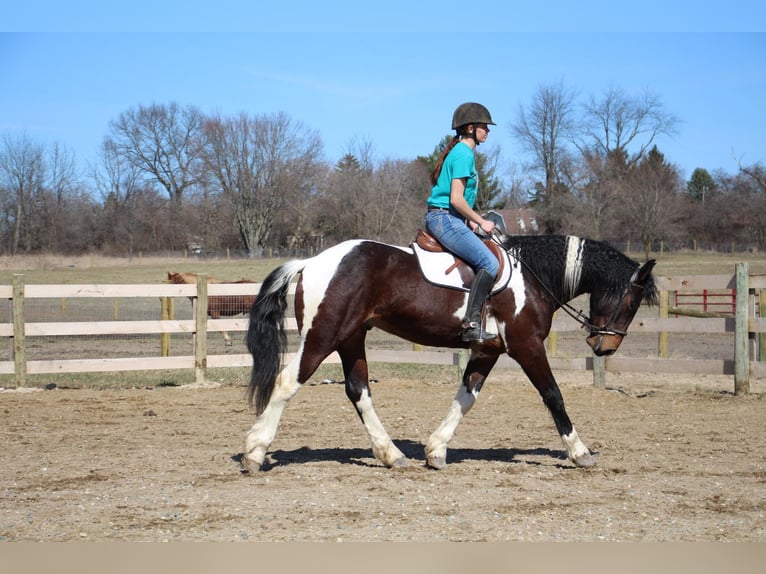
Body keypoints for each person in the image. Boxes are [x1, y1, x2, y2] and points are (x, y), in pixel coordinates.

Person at [425, 102, 499, 343]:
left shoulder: (461, 152)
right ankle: (471, 323)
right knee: (489, 262)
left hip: (450, 217)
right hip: (443, 217)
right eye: (484, 126)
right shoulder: (463, 153)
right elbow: (456, 199)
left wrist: (468, 221)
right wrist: (481, 220)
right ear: (470, 127)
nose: (487, 130)